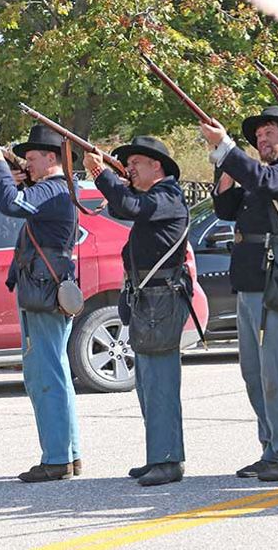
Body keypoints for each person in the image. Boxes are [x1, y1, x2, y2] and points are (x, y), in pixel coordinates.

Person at [201, 106, 278, 482]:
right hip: (253, 279)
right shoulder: (261, 176)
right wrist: (223, 161)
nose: (261, 139)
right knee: (255, 371)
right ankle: (272, 447)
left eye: (269, 132)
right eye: (258, 135)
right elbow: (226, 207)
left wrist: (228, 147)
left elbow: (265, 181)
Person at [84, 136, 190, 486]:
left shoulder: (168, 195)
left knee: (159, 382)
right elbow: (122, 206)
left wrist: (101, 173)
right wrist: (113, 178)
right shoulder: (153, 196)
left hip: (161, 297)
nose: (129, 169)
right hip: (147, 297)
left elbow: (131, 207)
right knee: (147, 382)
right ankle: (158, 454)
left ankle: (168, 459)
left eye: (136, 164)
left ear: (156, 165)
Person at [0, 125, 81, 483]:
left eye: (33, 158)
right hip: (48, 286)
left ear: (51, 158)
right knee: (57, 372)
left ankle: (56, 458)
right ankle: (68, 454)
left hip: (43, 289)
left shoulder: (53, 188)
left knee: (45, 375)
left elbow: (11, 205)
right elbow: (25, 202)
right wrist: (19, 179)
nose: (29, 163)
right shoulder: (55, 188)